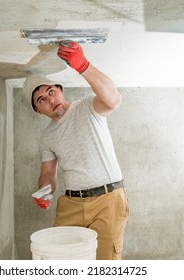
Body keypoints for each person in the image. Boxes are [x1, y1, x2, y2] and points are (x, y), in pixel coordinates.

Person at [23, 41, 129, 260]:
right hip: (71, 205)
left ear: (61, 90)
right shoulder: (47, 136)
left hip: (107, 200)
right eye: (41, 99)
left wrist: (83, 66)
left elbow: (114, 100)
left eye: (51, 91)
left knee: (106, 265)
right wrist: (45, 191)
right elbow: (48, 175)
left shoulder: (87, 106)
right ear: (37, 110)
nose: (49, 99)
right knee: (60, 262)